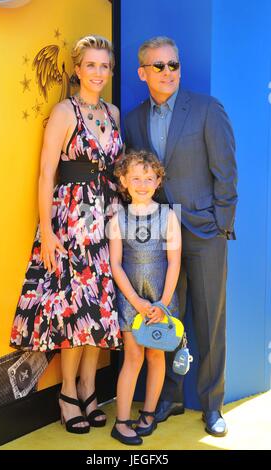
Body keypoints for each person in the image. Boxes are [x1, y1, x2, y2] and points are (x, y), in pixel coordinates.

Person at [124, 36, 238, 437]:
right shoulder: (133, 120)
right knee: (165, 320)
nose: (168, 72)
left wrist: (221, 223)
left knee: (209, 322)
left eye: (173, 65)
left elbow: (226, 171)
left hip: (204, 234)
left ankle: (212, 406)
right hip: (154, 243)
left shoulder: (207, 109)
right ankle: (168, 398)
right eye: (159, 66)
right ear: (143, 73)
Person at [10, 35, 123, 434]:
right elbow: (46, 175)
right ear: (77, 70)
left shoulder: (112, 112)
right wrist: (48, 231)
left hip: (105, 220)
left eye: (104, 66)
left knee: (100, 312)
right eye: (90, 65)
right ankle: (68, 393)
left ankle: (91, 389)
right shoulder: (64, 111)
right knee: (74, 313)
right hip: (71, 221)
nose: (98, 73)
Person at [109, 150, 181, 445]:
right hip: (131, 299)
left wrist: (163, 304)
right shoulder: (117, 218)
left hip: (161, 300)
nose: (142, 184)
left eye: (148, 178)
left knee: (156, 354)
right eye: (135, 178)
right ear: (124, 181)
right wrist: (136, 302)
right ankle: (122, 421)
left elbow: (174, 262)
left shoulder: (169, 215)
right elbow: (115, 264)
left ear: (158, 180)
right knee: (134, 356)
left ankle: (148, 414)